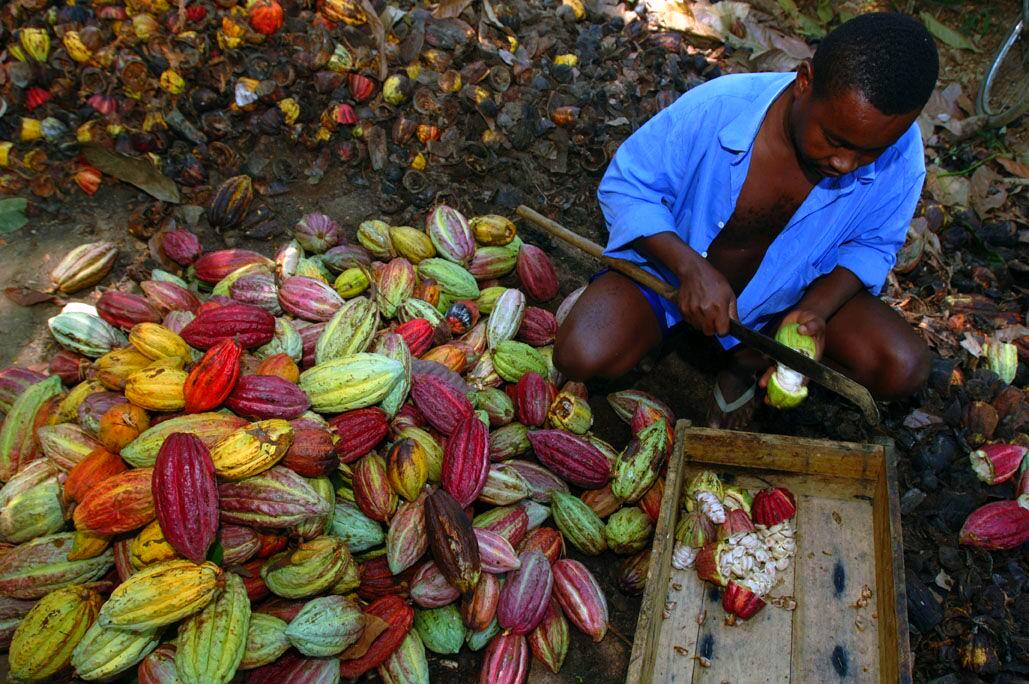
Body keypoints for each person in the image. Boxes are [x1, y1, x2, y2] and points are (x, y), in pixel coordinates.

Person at [554, 12, 938, 428]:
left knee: (902, 365)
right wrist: (690, 267)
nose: (846, 163)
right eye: (833, 139)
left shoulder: (901, 159)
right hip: (670, 280)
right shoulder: (718, 109)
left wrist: (812, 313)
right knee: (582, 354)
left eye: (869, 153)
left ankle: (745, 361)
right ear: (804, 81)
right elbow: (626, 186)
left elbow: (872, 247)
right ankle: (660, 331)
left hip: (780, 304)